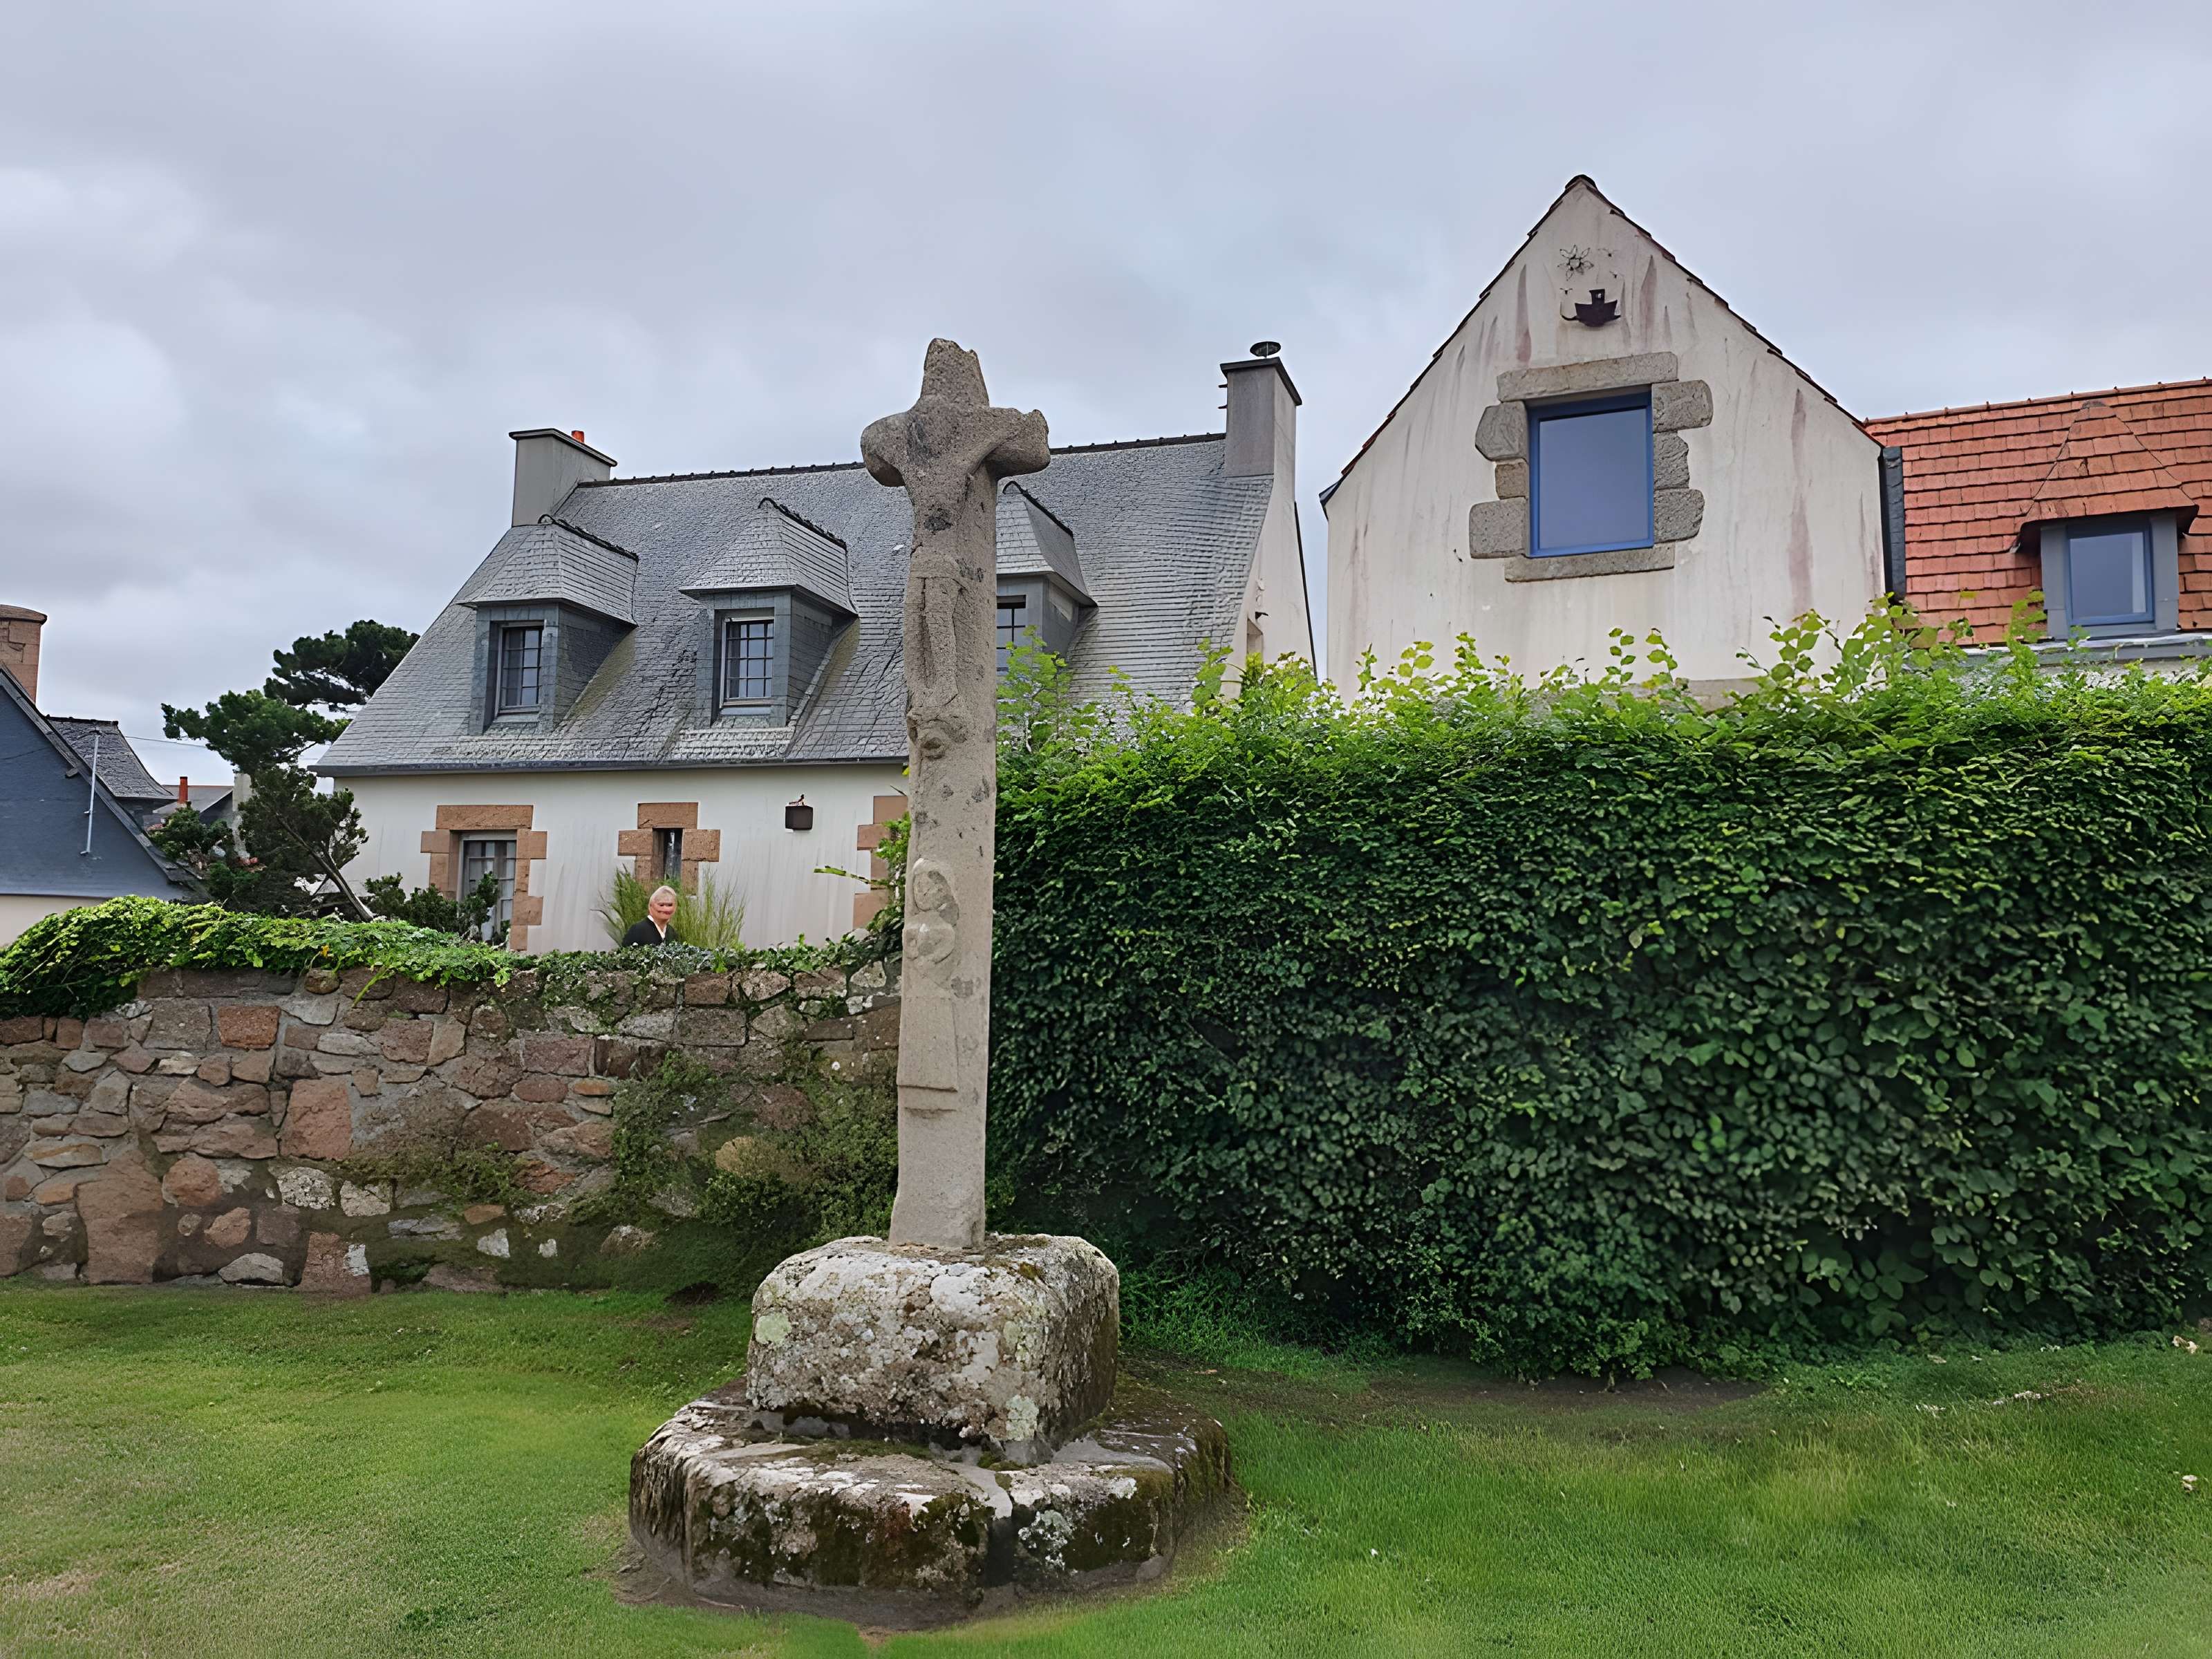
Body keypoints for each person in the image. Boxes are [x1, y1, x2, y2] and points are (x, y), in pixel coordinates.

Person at [621, 884, 681, 948]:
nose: (666, 909)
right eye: (661, 905)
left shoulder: (672, 932)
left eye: (670, 905)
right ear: (651, 906)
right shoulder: (637, 930)